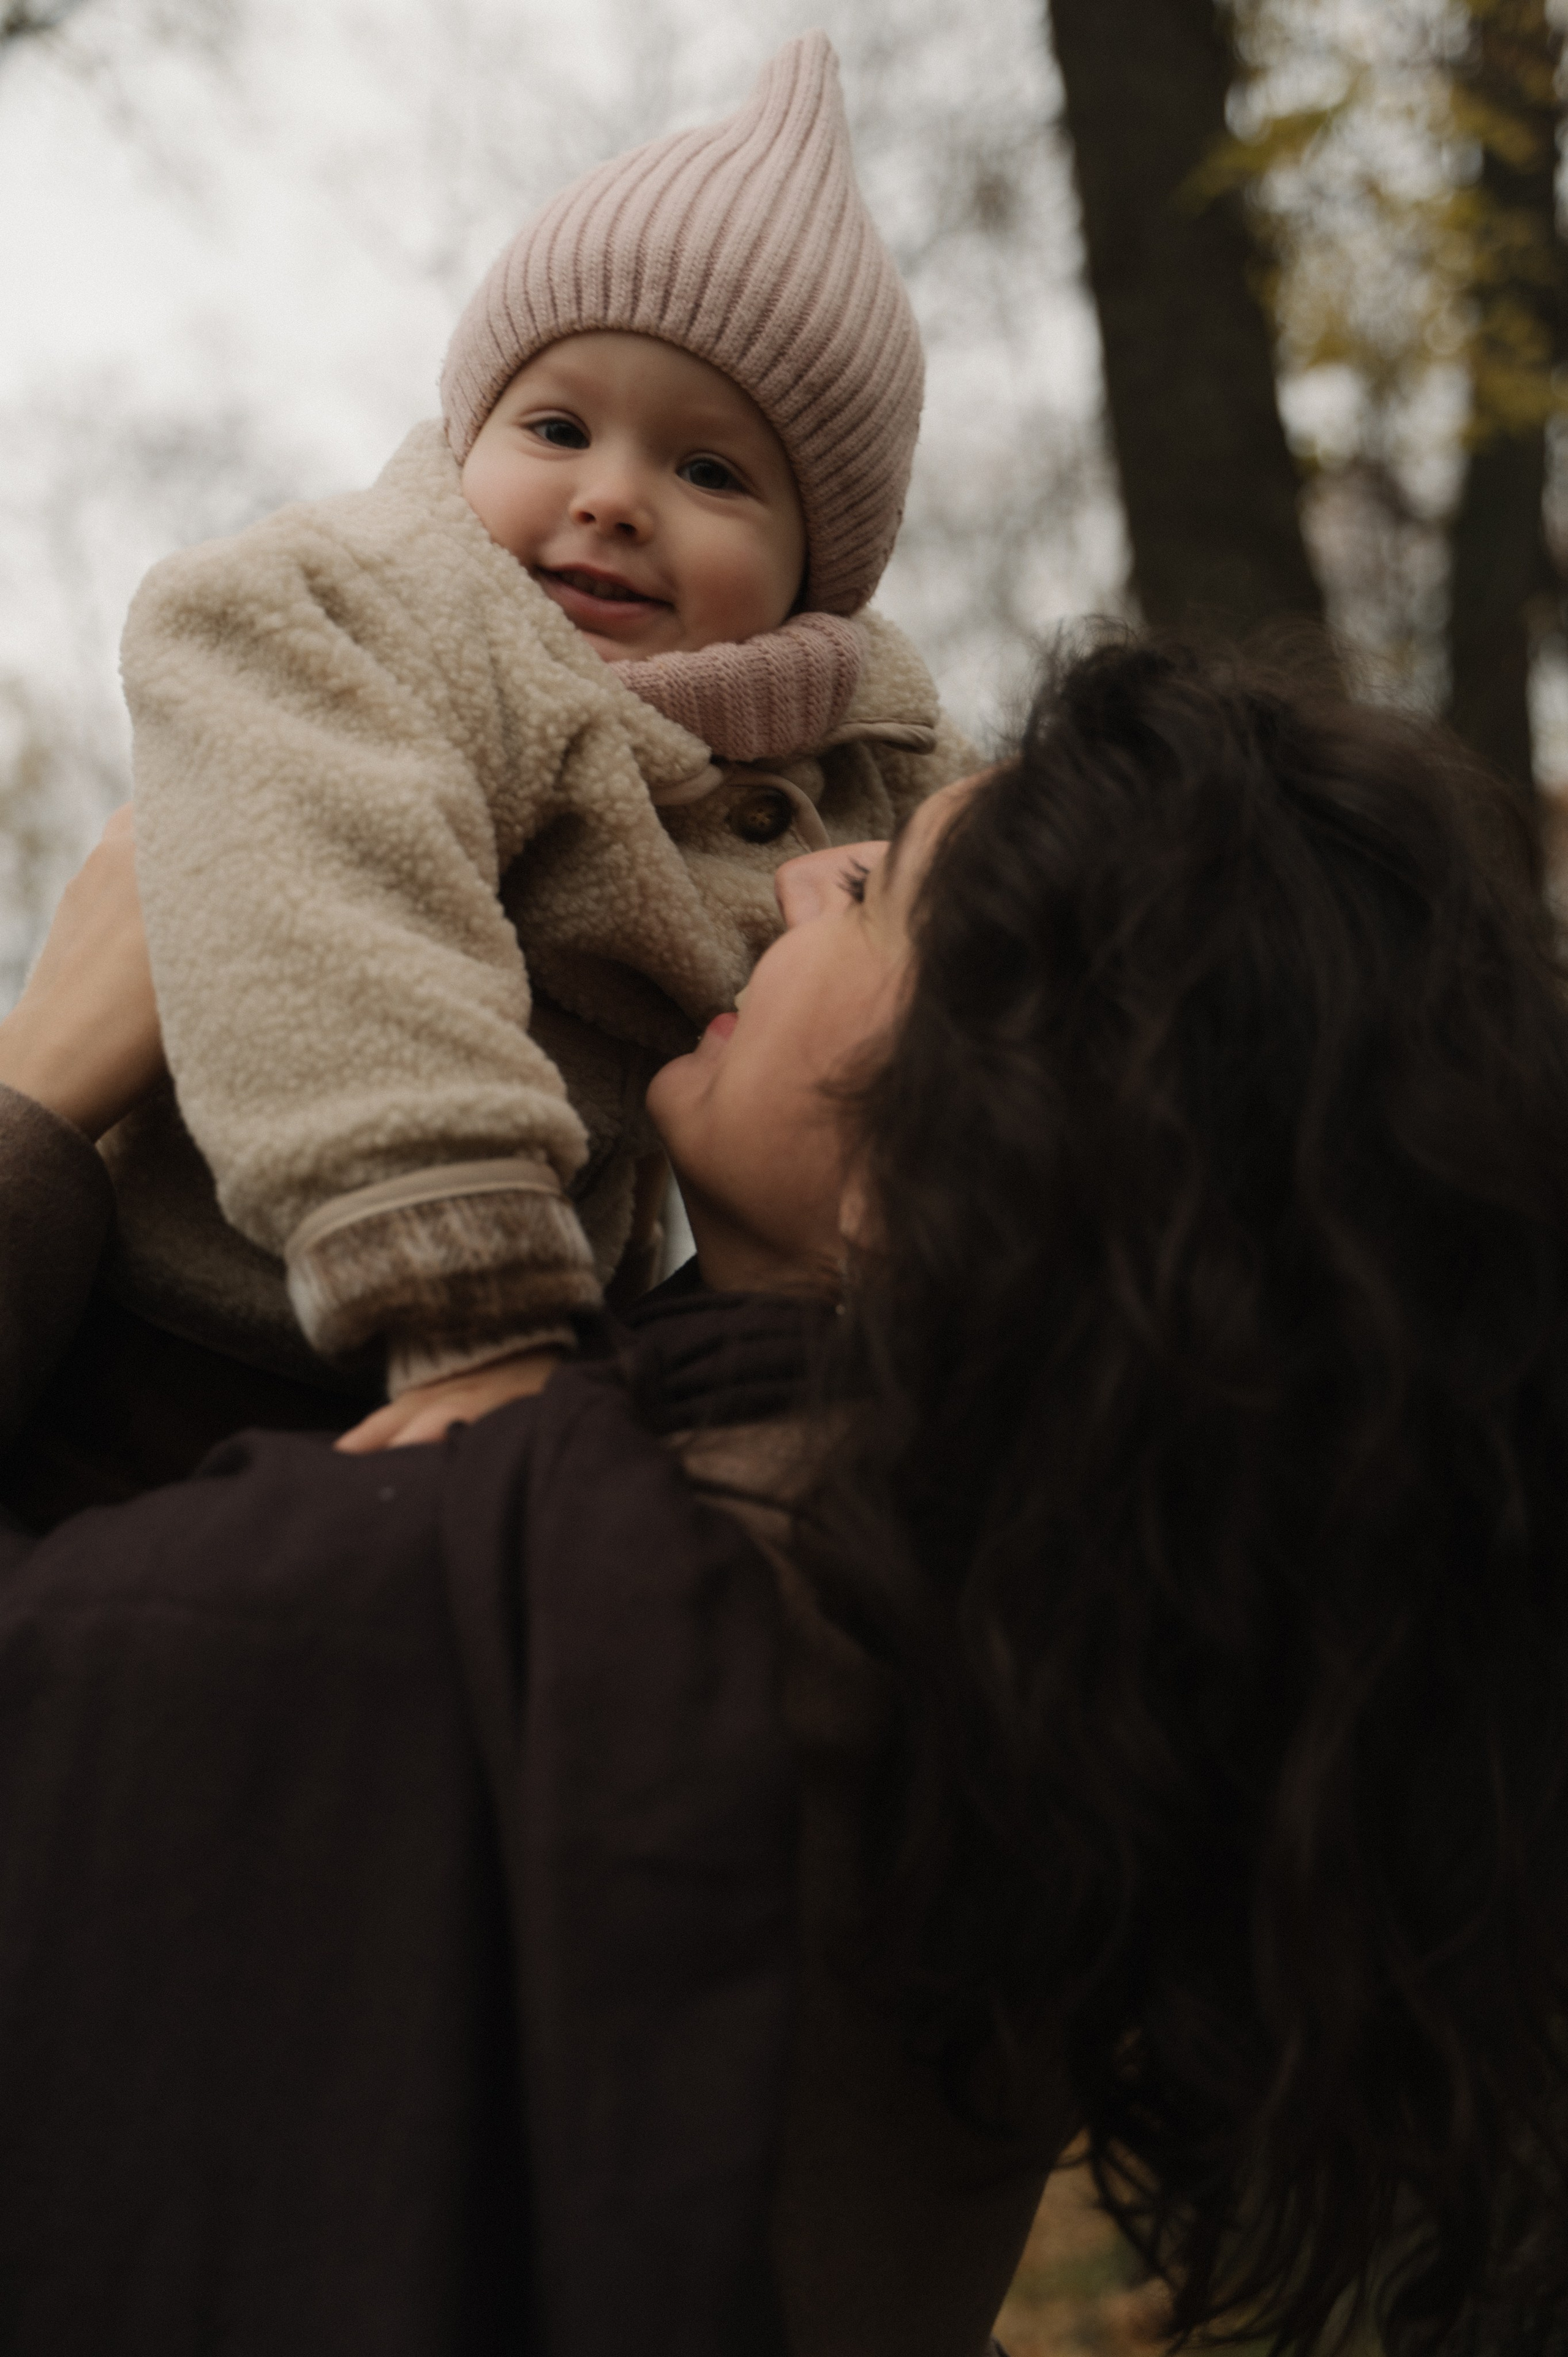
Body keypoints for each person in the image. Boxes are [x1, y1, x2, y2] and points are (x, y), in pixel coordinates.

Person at [0, 631, 1565, 2357]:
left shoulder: (507, 1610)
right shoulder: (1027, 1667)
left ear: (958, 1164)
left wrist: (41, 1097)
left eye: (884, 893)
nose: (811, 864)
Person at [70, 29, 968, 1510]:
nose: (612, 499)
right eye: (557, 428)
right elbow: (329, 918)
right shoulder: (355, 609)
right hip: (198, 1323)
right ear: (470, 426)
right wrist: (470, 1302)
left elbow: (1018, 902)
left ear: (822, 572)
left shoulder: (852, 758)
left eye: (710, 471)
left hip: (555, 1376)